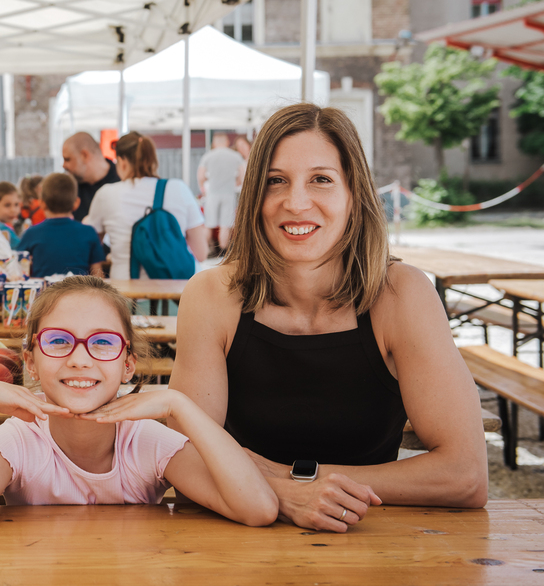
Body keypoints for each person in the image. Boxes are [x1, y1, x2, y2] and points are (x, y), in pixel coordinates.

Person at [169, 103, 488, 534]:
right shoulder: (211, 295)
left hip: (370, 541)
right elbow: (184, 460)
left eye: (321, 180)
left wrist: (294, 482)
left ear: (354, 193)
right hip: (237, 538)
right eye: (275, 181)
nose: (296, 202)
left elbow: (465, 475)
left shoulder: (402, 294)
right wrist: (286, 496)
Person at [0, 276, 277, 531]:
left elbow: (258, 508)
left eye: (103, 342)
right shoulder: (21, 439)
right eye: (59, 340)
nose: (79, 359)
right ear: (30, 362)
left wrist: (177, 403)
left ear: (128, 364)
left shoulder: (145, 440)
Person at [84, 132, 207, 280]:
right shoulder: (179, 188)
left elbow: (91, 247)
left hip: (127, 294)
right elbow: (201, 253)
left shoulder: (106, 194)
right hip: (178, 292)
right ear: (154, 160)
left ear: (122, 161)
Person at [17, 174, 105, 278]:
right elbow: (98, 276)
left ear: (42, 203)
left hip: (45, 293)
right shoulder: (89, 232)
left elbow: (18, 271)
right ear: (76, 203)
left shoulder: (31, 233)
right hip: (79, 292)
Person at [197, 134, 245, 256]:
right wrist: (236, 182)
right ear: (227, 142)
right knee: (225, 225)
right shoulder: (235, 156)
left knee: (208, 224)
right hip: (228, 194)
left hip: (212, 194)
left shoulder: (208, 156)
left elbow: (201, 175)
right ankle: (223, 252)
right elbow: (242, 174)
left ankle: (204, 250)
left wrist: (203, 188)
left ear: (214, 143)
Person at [62, 132, 120, 222]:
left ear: (85, 155)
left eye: (68, 159)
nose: (64, 165)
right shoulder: (69, 188)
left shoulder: (122, 181)